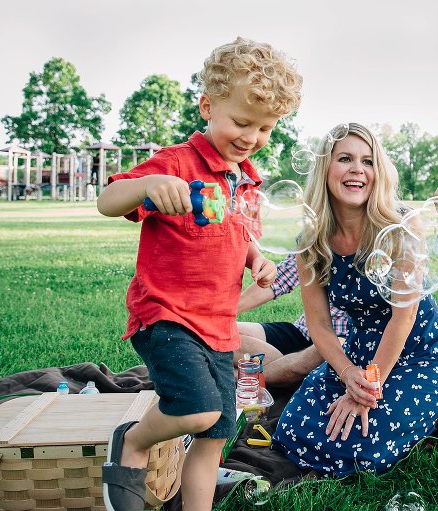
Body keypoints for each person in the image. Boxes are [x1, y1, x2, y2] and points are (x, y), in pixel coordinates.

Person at [96, 37, 302, 511]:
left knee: (215, 434)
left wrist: (256, 259)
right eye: (242, 121)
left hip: (219, 327)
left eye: (266, 128)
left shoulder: (246, 180)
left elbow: (238, 231)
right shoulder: (174, 165)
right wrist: (148, 184)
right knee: (199, 409)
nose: (251, 137)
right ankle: (132, 441)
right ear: (207, 106)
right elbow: (108, 201)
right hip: (166, 316)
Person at [272, 122, 438, 476]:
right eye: (345, 158)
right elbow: (320, 324)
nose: (358, 169)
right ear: (326, 170)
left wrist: (364, 390)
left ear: (378, 172)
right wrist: (347, 373)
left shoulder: (401, 227)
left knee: (364, 446)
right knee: (292, 426)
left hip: (418, 354)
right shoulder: (311, 240)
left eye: (368, 161)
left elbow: (403, 319)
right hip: (358, 353)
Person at [235, 252, 350, 386]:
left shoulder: (376, 246)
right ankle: (282, 376)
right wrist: (224, 313)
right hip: (303, 332)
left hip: (336, 343)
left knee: (313, 358)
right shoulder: (319, 236)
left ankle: (241, 377)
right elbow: (282, 277)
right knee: (219, 333)